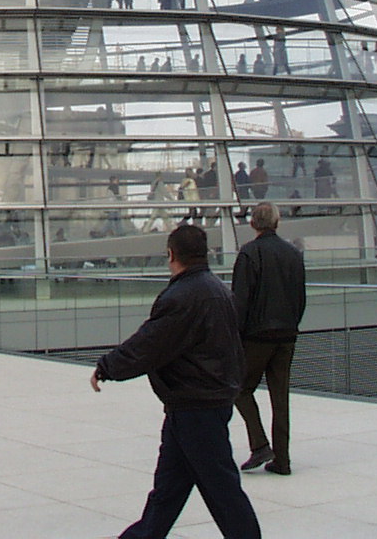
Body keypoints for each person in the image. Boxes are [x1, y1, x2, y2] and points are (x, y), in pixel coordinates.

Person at [91, 225, 260, 539]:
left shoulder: (182, 297)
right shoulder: (218, 289)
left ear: (171, 254)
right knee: (168, 491)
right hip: (200, 402)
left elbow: (150, 344)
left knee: (222, 491)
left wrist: (107, 366)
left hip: (196, 406)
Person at [232, 203, 306, 478]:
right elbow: (300, 297)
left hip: (257, 336)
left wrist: (236, 337)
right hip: (287, 335)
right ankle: (283, 460)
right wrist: (292, 324)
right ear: (277, 222)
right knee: (280, 397)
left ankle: (261, 445)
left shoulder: (250, 254)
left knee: (239, 388)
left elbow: (241, 300)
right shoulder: (293, 254)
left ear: (254, 224)